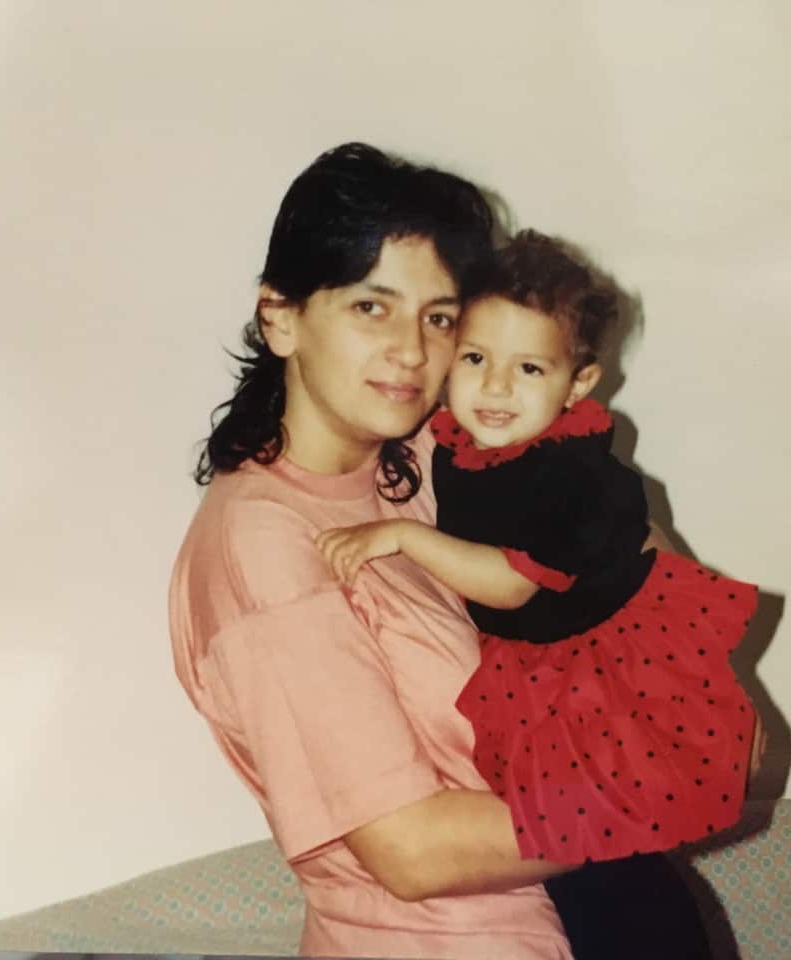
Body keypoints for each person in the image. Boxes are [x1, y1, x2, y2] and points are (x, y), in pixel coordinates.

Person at [170, 143, 718, 959]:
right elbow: (413, 849)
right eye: (370, 307)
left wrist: (689, 695)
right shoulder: (265, 539)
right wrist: (672, 783)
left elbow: (636, 551)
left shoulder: (434, 452)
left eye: (438, 317)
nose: (411, 350)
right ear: (280, 316)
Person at [316, 230, 765, 958]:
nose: (494, 388)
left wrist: (399, 539)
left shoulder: (564, 471)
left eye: (528, 367)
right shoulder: (465, 446)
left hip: (604, 673)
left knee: (609, 862)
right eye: (474, 359)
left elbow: (511, 583)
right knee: (585, 868)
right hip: (553, 674)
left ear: (577, 384)